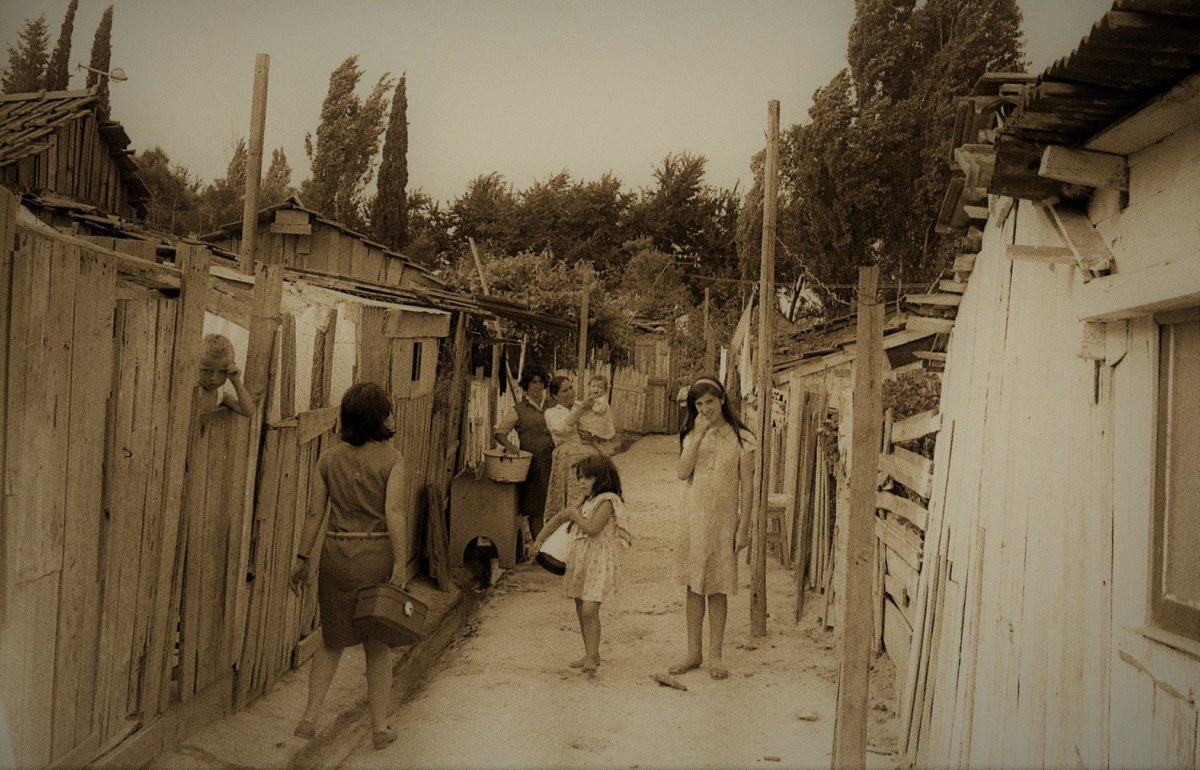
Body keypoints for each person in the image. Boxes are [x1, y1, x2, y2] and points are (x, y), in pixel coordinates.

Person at [289, 382, 405, 750]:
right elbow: (394, 512)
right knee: (377, 646)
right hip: (375, 555)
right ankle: (380, 728)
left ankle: (309, 718)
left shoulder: (328, 459)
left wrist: (301, 558)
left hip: (336, 554)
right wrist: (400, 562)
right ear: (378, 418)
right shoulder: (393, 460)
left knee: (331, 640)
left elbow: (314, 514)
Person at [669, 375, 755, 680]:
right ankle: (693, 652)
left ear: (722, 400)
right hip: (694, 519)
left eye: (710, 402)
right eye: (699, 404)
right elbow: (682, 473)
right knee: (694, 586)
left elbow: (748, 487)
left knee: (718, 587)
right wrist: (698, 437)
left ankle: (715, 656)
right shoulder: (691, 434)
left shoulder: (743, 438)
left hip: (724, 522)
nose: (705, 409)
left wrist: (743, 528)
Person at [529, 452, 630, 674]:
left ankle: (592, 655)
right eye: (580, 478)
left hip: (597, 560)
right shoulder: (585, 500)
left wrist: (575, 516)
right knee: (580, 606)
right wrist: (539, 540)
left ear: (601, 479)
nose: (581, 482)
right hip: (581, 558)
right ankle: (590, 652)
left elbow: (592, 528)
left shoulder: (607, 501)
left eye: (587, 478)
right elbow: (559, 518)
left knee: (589, 608)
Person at [541, 376, 603, 555]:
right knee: (568, 503)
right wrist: (581, 410)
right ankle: (562, 549)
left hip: (589, 457)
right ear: (555, 396)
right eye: (564, 390)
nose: (569, 393)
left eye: (571, 388)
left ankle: (588, 545)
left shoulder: (584, 405)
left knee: (590, 500)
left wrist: (593, 435)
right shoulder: (551, 412)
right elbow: (561, 429)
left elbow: (603, 428)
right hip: (567, 461)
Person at [493, 366, 554, 538]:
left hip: (556, 463)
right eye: (533, 382)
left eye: (540, 382)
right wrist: (510, 447)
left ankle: (554, 548)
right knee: (537, 510)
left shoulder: (553, 406)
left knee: (557, 508)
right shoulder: (518, 409)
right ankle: (540, 548)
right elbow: (500, 433)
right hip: (534, 466)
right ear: (526, 385)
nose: (537, 386)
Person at [197, 333, 252, 417]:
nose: (213, 378)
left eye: (222, 372)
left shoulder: (219, 395)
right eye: (206, 370)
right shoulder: (189, 390)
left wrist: (236, 381)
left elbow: (248, 411)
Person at [577, 374, 616, 443]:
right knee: (583, 425)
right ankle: (587, 437)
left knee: (595, 430)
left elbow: (600, 410)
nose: (596, 389)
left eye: (600, 387)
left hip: (600, 420)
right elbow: (585, 404)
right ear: (589, 387)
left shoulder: (602, 400)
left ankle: (594, 439)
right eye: (593, 386)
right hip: (593, 419)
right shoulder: (592, 397)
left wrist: (591, 405)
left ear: (605, 390)